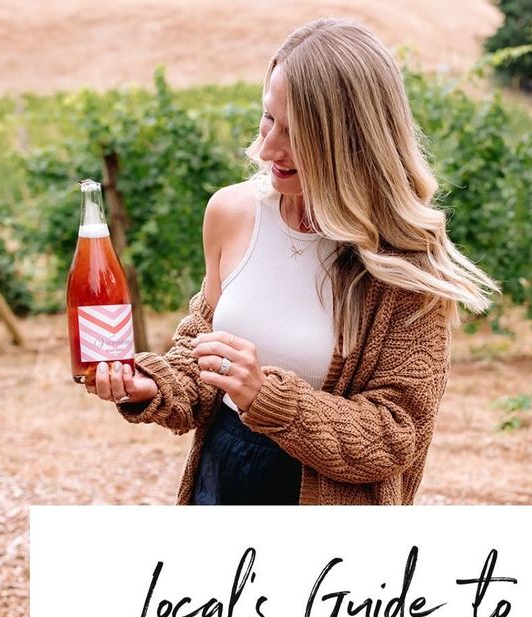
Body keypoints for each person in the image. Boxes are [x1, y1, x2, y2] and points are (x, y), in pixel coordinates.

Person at [89, 17, 496, 506]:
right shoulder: (231, 213)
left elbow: (395, 435)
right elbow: (201, 356)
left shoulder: (404, 260)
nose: (267, 148)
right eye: (268, 118)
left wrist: (266, 397)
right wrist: (148, 383)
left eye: (297, 131)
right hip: (221, 482)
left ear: (353, 139)